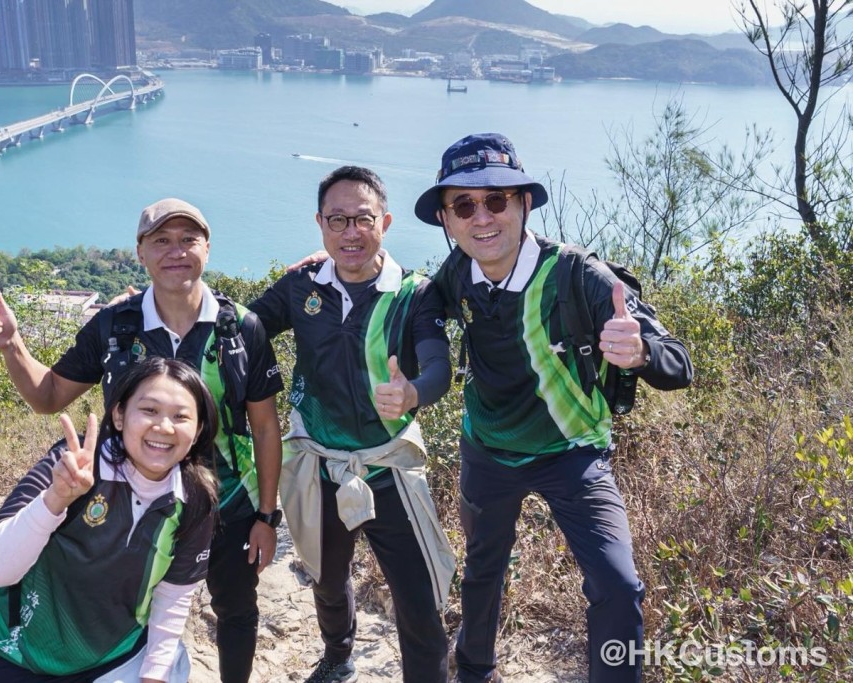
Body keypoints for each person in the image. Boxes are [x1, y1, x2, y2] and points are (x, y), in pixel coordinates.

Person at [412, 133, 694, 683]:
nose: (482, 217)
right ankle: (474, 672)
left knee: (617, 586)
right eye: (463, 205)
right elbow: (418, 302)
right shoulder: (457, 274)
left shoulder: (578, 276)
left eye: (497, 199)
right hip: (487, 451)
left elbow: (679, 362)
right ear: (447, 220)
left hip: (573, 454)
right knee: (482, 573)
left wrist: (639, 352)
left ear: (524, 204)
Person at [0, 198, 284, 683]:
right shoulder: (116, 326)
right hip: (129, 499)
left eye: (188, 240)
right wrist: (12, 345)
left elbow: (266, 427)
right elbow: (50, 396)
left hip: (226, 500)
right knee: (134, 603)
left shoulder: (239, 328)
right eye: (161, 240)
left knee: (236, 608)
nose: (176, 251)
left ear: (207, 247)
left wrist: (267, 515)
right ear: (140, 253)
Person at [248, 166, 456, 683]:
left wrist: (412, 391)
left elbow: (438, 364)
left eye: (363, 219)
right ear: (320, 224)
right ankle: (338, 656)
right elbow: (247, 330)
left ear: (383, 222)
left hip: (387, 467)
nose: (350, 233)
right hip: (319, 460)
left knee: (417, 600)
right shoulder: (302, 285)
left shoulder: (413, 294)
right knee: (327, 577)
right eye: (337, 220)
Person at [0, 357, 219, 682]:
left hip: (115, 654)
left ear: (198, 429)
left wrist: (154, 675)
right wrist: (55, 500)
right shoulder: (72, 465)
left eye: (181, 416)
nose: (164, 427)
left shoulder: (195, 498)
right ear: (119, 415)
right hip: (20, 652)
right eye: (149, 410)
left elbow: (173, 595)